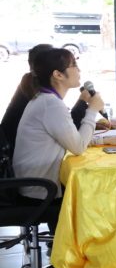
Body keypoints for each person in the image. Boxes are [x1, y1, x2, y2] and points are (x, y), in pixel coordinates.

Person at [12, 48, 104, 233]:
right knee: (98, 196)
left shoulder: (46, 100)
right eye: (74, 65)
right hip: (39, 190)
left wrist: (100, 137)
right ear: (58, 74)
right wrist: (92, 111)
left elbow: (70, 138)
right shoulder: (50, 104)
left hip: (35, 183)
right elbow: (78, 147)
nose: (79, 70)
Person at [2, 44, 89, 152]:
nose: (78, 69)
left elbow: (63, 126)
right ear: (56, 73)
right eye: (73, 64)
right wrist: (90, 108)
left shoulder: (38, 92)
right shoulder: (46, 100)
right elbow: (76, 144)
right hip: (14, 151)